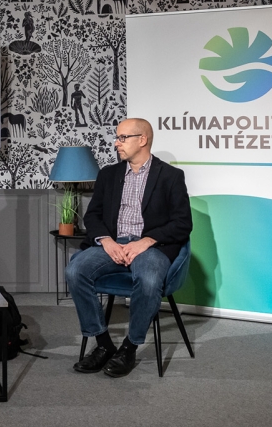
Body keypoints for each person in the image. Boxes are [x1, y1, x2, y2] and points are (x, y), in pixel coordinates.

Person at [66, 118, 191, 378]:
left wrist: (147, 241)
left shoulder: (171, 176)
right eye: (117, 137)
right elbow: (93, 215)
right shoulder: (108, 174)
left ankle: (129, 347)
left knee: (149, 280)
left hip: (150, 247)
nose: (116, 143)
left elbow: (182, 223)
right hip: (113, 243)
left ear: (142, 140)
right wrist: (106, 240)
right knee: (75, 271)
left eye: (123, 138)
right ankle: (103, 343)